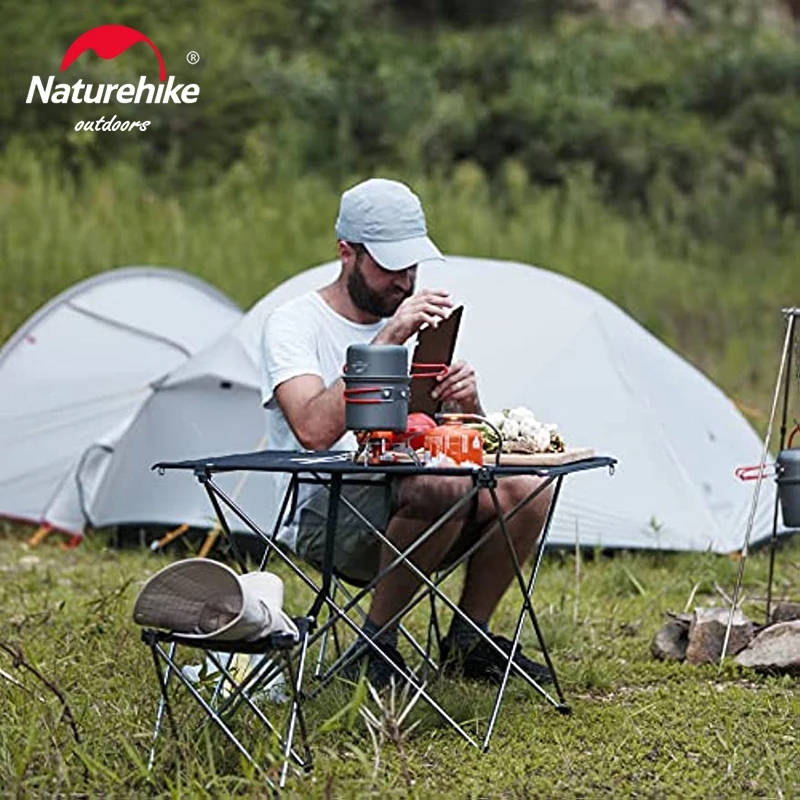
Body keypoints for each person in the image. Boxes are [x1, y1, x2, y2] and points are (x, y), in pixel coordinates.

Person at [261, 178, 553, 688]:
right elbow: (312, 429)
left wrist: (466, 404)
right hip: (329, 515)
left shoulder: (416, 321)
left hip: (416, 501)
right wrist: (388, 340)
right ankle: (375, 646)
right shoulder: (294, 324)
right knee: (442, 486)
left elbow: (433, 439)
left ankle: (468, 642)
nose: (405, 281)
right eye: (391, 267)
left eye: (412, 267)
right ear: (346, 253)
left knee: (529, 487)